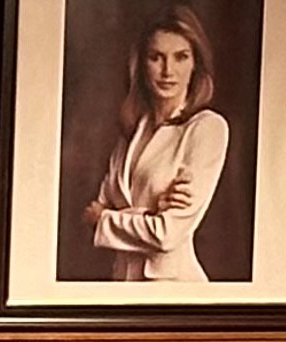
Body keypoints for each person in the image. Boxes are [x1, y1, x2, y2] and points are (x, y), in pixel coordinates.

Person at [88, 6, 231, 284]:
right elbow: (90, 214)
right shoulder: (132, 131)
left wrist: (107, 220)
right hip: (120, 288)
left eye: (181, 57)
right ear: (141, 64)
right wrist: (150, 213)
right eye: (156, 57)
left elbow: (167, 234)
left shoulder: (206, 128)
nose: (168, 71)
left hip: (174, 293)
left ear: (195, 64)